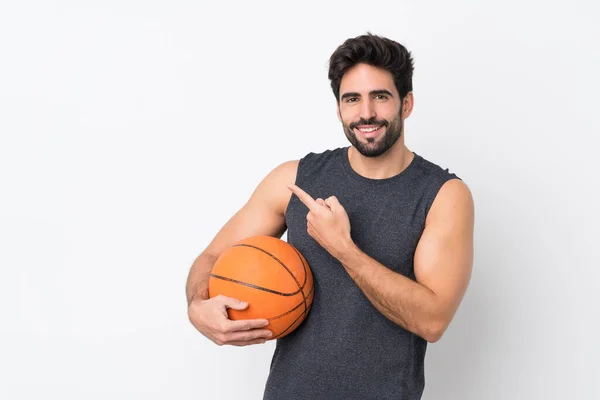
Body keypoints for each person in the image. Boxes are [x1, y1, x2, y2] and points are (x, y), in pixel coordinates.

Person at [186, 33, 474, 399]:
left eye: (380, 97)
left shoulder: (443, 195)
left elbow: (432, 321)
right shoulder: (294, 179)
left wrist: (343, 248)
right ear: (339, 109)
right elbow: (212, 257)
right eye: (352, 99)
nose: (366, 113)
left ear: (407, 103)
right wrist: (198, 307)